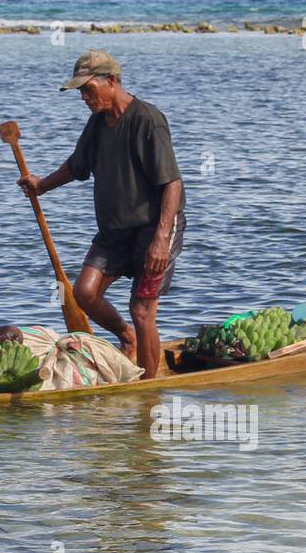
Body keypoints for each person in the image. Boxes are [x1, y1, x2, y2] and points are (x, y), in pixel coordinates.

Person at [17, 49, 186, 378]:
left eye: (87, 89)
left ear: (111, 81)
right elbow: (76, 166)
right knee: (84, 292)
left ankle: (147, 390)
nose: (83, 97)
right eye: (80, 91)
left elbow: (173, 183)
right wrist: (42, 186)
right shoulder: (97, 125)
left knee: (141, 308)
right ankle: (127, 337)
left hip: (155, 229)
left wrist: (161, 240)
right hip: (115, 232)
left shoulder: (147, 119)